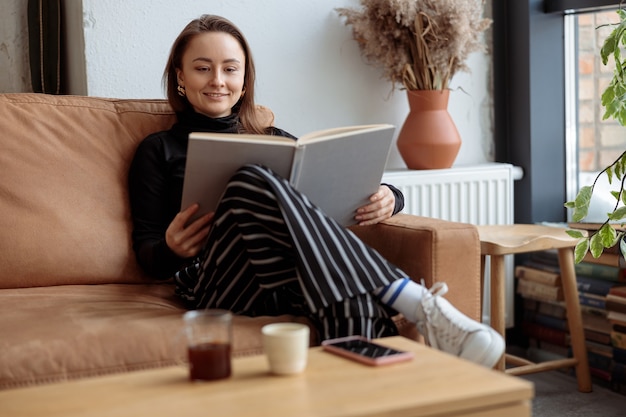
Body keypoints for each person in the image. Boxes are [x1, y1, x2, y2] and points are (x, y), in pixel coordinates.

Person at [128, 14, 504, 368]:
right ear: (180, 76)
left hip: (287, 279)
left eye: (230, 69)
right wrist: (170, 249)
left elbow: (332, 192)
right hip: (219, 282)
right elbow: (147, 254)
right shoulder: (158, 149)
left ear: (244, 80)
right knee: (248, 179)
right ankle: (417, 302)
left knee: (346, 295)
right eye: (202, 68)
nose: (218, 80)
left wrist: (390, 196)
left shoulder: (274, 140)